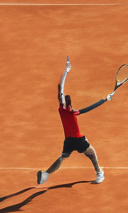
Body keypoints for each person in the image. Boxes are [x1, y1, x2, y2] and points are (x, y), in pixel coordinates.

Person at [37, 56, 114, 186]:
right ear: (70, 105)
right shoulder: (72, 112)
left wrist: (67, 70)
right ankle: (99, 172)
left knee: (63, 157)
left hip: (68, 140)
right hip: (78, 140)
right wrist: (106, 99)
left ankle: (45, 174)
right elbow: (89, 107)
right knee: (91, 152)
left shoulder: (63, 111)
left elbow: (61, 88)